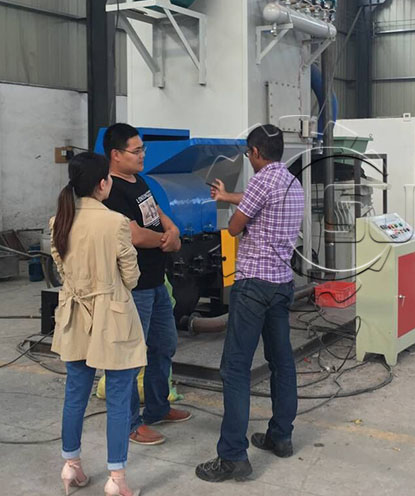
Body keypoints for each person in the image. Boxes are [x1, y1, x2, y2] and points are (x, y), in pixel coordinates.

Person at [195, 124, 305, 483]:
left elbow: (234, 229)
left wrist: (230, 209)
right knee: (281, 361)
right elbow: (257, 201)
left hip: (253, 286)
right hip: (281, 285)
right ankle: (281, 435)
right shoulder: (292, 182)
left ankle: (232, 457)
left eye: (247, 153)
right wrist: (227, 196)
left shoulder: (261, 182)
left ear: (256, 152)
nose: (248, 157)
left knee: (236, 369)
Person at [51, 152, 145, 496]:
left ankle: (71, 465)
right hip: (113, 318)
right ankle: (116, 479)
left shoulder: (59, 221)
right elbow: (131, 277)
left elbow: (62, 270)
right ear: (102, 184)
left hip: (74, 315)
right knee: (119, 397)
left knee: (75, 394)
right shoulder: (115, 222)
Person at [102, 123, 191, 446]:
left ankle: (157, 407)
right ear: (115, 154)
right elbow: (133, 235)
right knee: (128, 358)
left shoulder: (139, 181)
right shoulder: (110, 191)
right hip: (132, 287)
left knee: (163, 345)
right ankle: (130, 424)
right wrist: (165, 241)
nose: (142, 155)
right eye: (136, 151)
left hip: (156, 281)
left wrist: (173, 233)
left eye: (143, 150)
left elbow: (159, 216)